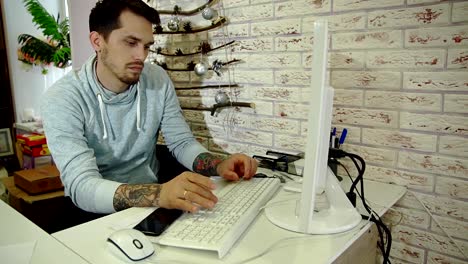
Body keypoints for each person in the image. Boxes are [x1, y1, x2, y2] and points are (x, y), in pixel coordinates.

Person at [40, 0, 257, 215]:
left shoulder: (156, 79)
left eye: (146, 46)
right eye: (130, 42)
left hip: (152, 205)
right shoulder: (62, 98)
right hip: (95, 213)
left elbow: (181, 143)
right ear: (97, 41)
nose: (141, 56)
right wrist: (160, 194)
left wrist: (219, 166)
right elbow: (82, 187)